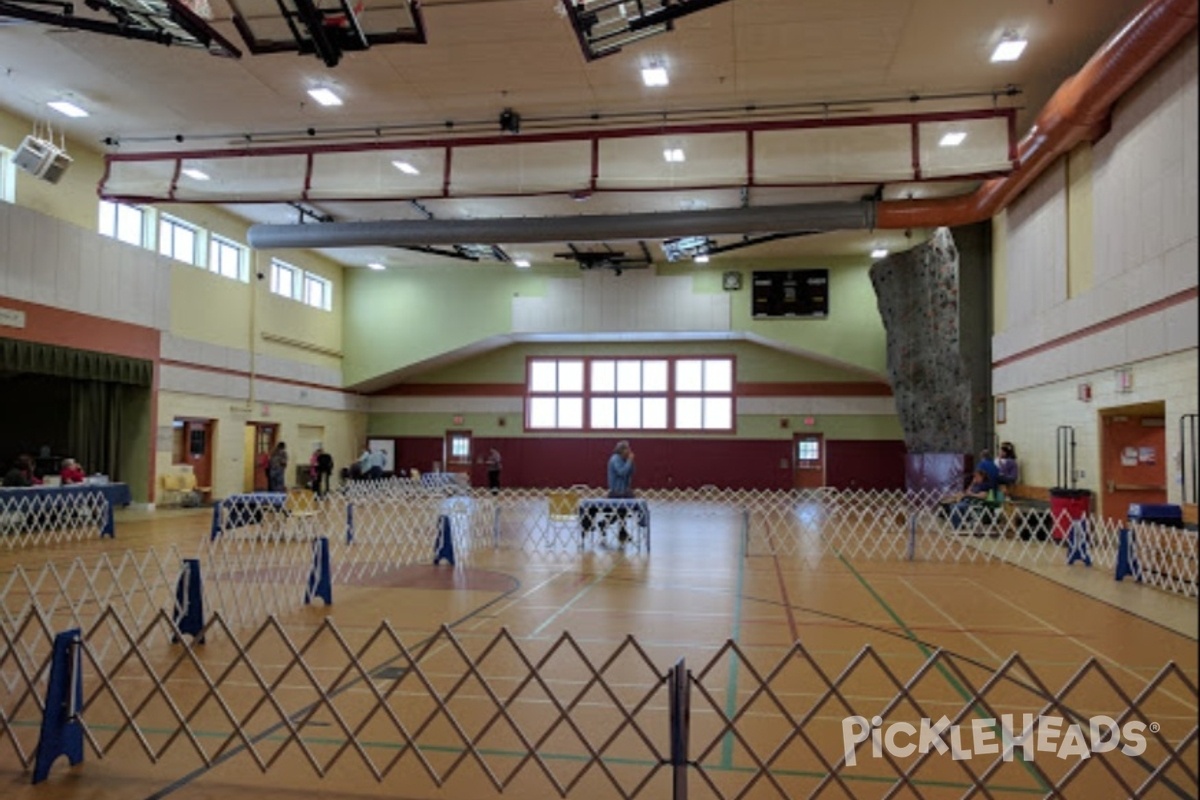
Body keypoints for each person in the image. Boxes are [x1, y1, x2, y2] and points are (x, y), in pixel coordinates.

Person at [606, 440, 637, 543]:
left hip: (624, 490)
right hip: (616, 491)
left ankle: (620, 532)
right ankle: (621, 531)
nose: (629, 451)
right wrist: (628, 462)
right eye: (627, 449)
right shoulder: (615, 459)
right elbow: (622, 472)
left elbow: (632, 472)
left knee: (622, 513)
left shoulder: (624, 459)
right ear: (622, 450)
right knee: (625, 510)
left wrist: (631, 462)